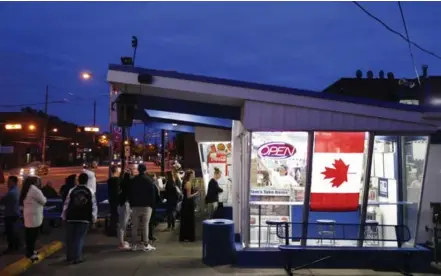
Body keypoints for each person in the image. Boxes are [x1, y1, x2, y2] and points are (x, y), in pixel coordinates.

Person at [61, 173, 97, 264]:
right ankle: (77, 257)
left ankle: (69, 257)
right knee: (79, 238)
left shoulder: (72, 190)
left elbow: (66, 204)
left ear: (78, 180)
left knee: (70, 238)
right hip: (84, 217)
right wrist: (94, 218)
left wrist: (63, 216)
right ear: (86, 181)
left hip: (71, 217)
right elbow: (93, 206)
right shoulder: (90, 191)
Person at [128, 163, 156, 251]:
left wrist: (131, 204)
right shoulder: (149, 180)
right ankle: (146, 244)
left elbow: (130, 193)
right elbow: (152, 194)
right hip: (146, 206)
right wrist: (152, 204)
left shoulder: (133, 180)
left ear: (138, 170)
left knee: (135, 226)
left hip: (135, 206)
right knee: (145, 225)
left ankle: (133, 245)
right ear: (145, 170)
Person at [20, 176, 47, 262]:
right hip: (34, 216)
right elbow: (44, 201)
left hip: (28, 215)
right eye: (38, 181)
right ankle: (30, 253)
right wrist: (45, 198)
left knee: (29, 235)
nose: (39, 182)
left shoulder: (27, 189)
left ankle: (30, 251)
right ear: (35, 182)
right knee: (33, 236)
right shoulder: (35, 190)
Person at [0, 176, 21, 254]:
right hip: (14, 213)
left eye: (9, 182)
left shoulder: (12, 193)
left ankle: (11, 247)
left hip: (10, 214)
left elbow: (3, 201)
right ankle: (16, 246)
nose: (7, 183)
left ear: (14, 182)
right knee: (13, 231)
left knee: (10, 232)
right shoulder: (16, 190)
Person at [179, 169, 199, 242]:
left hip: (187, 203)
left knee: (186, 220)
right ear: (190, 175)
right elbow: (188, 196)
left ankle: (185, 236)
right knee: (188, 220)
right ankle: (188, 237)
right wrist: (196, 193)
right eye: (193, 174)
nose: (194, 175)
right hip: (188, 204)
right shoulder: (188, 183)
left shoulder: (187, 182)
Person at [118, 170, 132, 250]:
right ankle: (121, 243)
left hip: (121, 204)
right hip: (125, 204)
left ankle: (122, 241)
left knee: (122, 224)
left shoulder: (121, 184)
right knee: (123, 225)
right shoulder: (128, 185)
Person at [148, 173, 162, 243]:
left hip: (150, 205)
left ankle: (148, 236)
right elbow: (156, 196)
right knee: (150, 222)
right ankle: (150, 236)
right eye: (155, 176)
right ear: (152, 177)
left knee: (148, 222)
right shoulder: (153, 185)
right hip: (152, 205)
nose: (156, 177)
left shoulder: (150, 185)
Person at [107, 165, 120, 236]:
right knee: (116, 215)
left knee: (113, 215)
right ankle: (115, 230)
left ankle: (112, 230)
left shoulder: (109, 180)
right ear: (116, 170)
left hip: (111, 199)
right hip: (116, 200)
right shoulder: (117, 180)